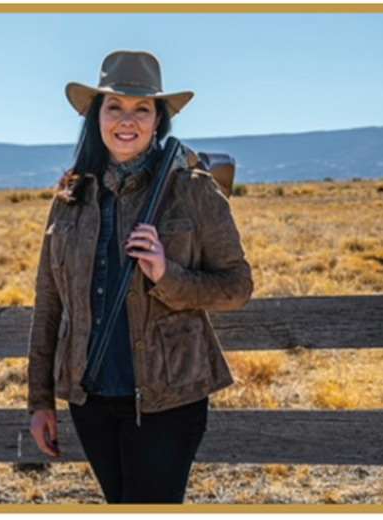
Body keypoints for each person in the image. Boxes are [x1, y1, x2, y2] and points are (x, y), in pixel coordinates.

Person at [26, 50, 254, 504]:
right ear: (97, 118)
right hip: (90, 398)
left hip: (168, 399)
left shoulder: (192, 190)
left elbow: (236, 286)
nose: (126, 120)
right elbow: (50, 303)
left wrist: (168, 275)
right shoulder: (72, 195)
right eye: (114, 107)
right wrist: (40, 401)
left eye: (141, 109)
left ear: (158, 120)